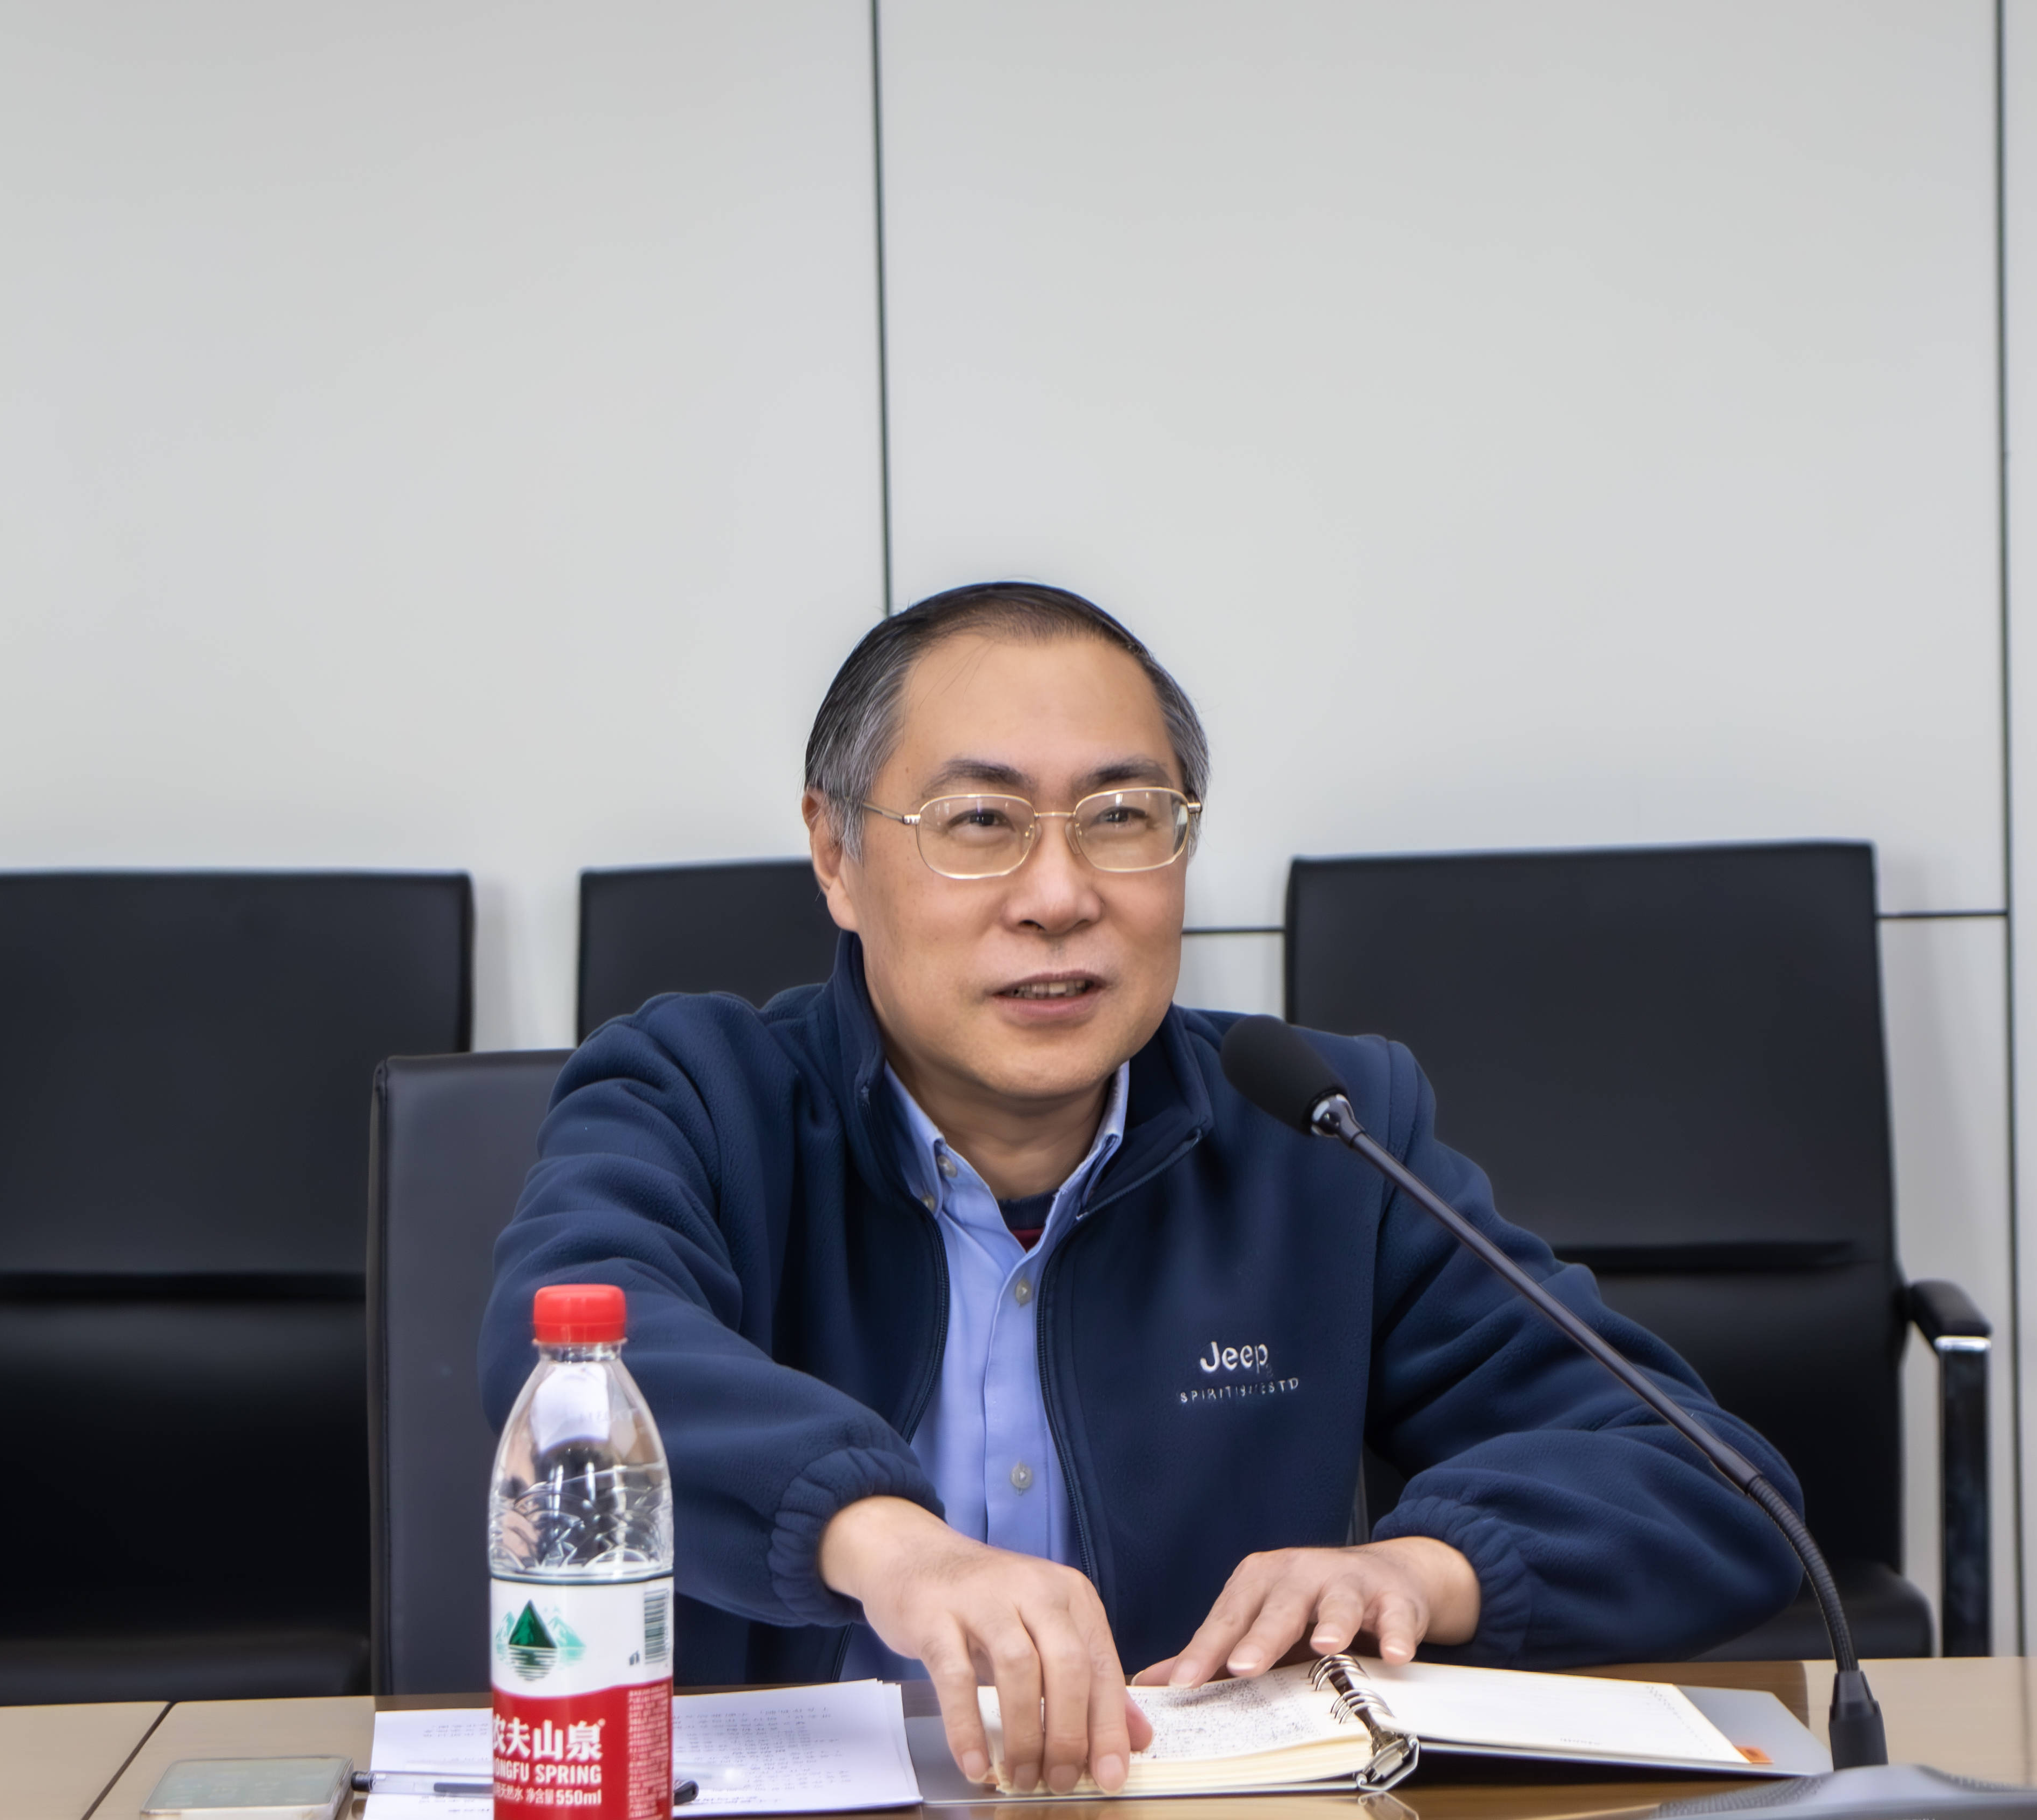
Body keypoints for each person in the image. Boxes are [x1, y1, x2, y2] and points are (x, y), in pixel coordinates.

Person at [482, 582, 1802, 1796]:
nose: (1058, 896)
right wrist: (891, 1545)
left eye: (1121, 817)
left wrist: (1417, 1569)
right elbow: (576, 1367)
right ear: (835, 854)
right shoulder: (694, 1094)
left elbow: (1708, 1485)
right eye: (980, 822)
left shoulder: (1318, 1130)